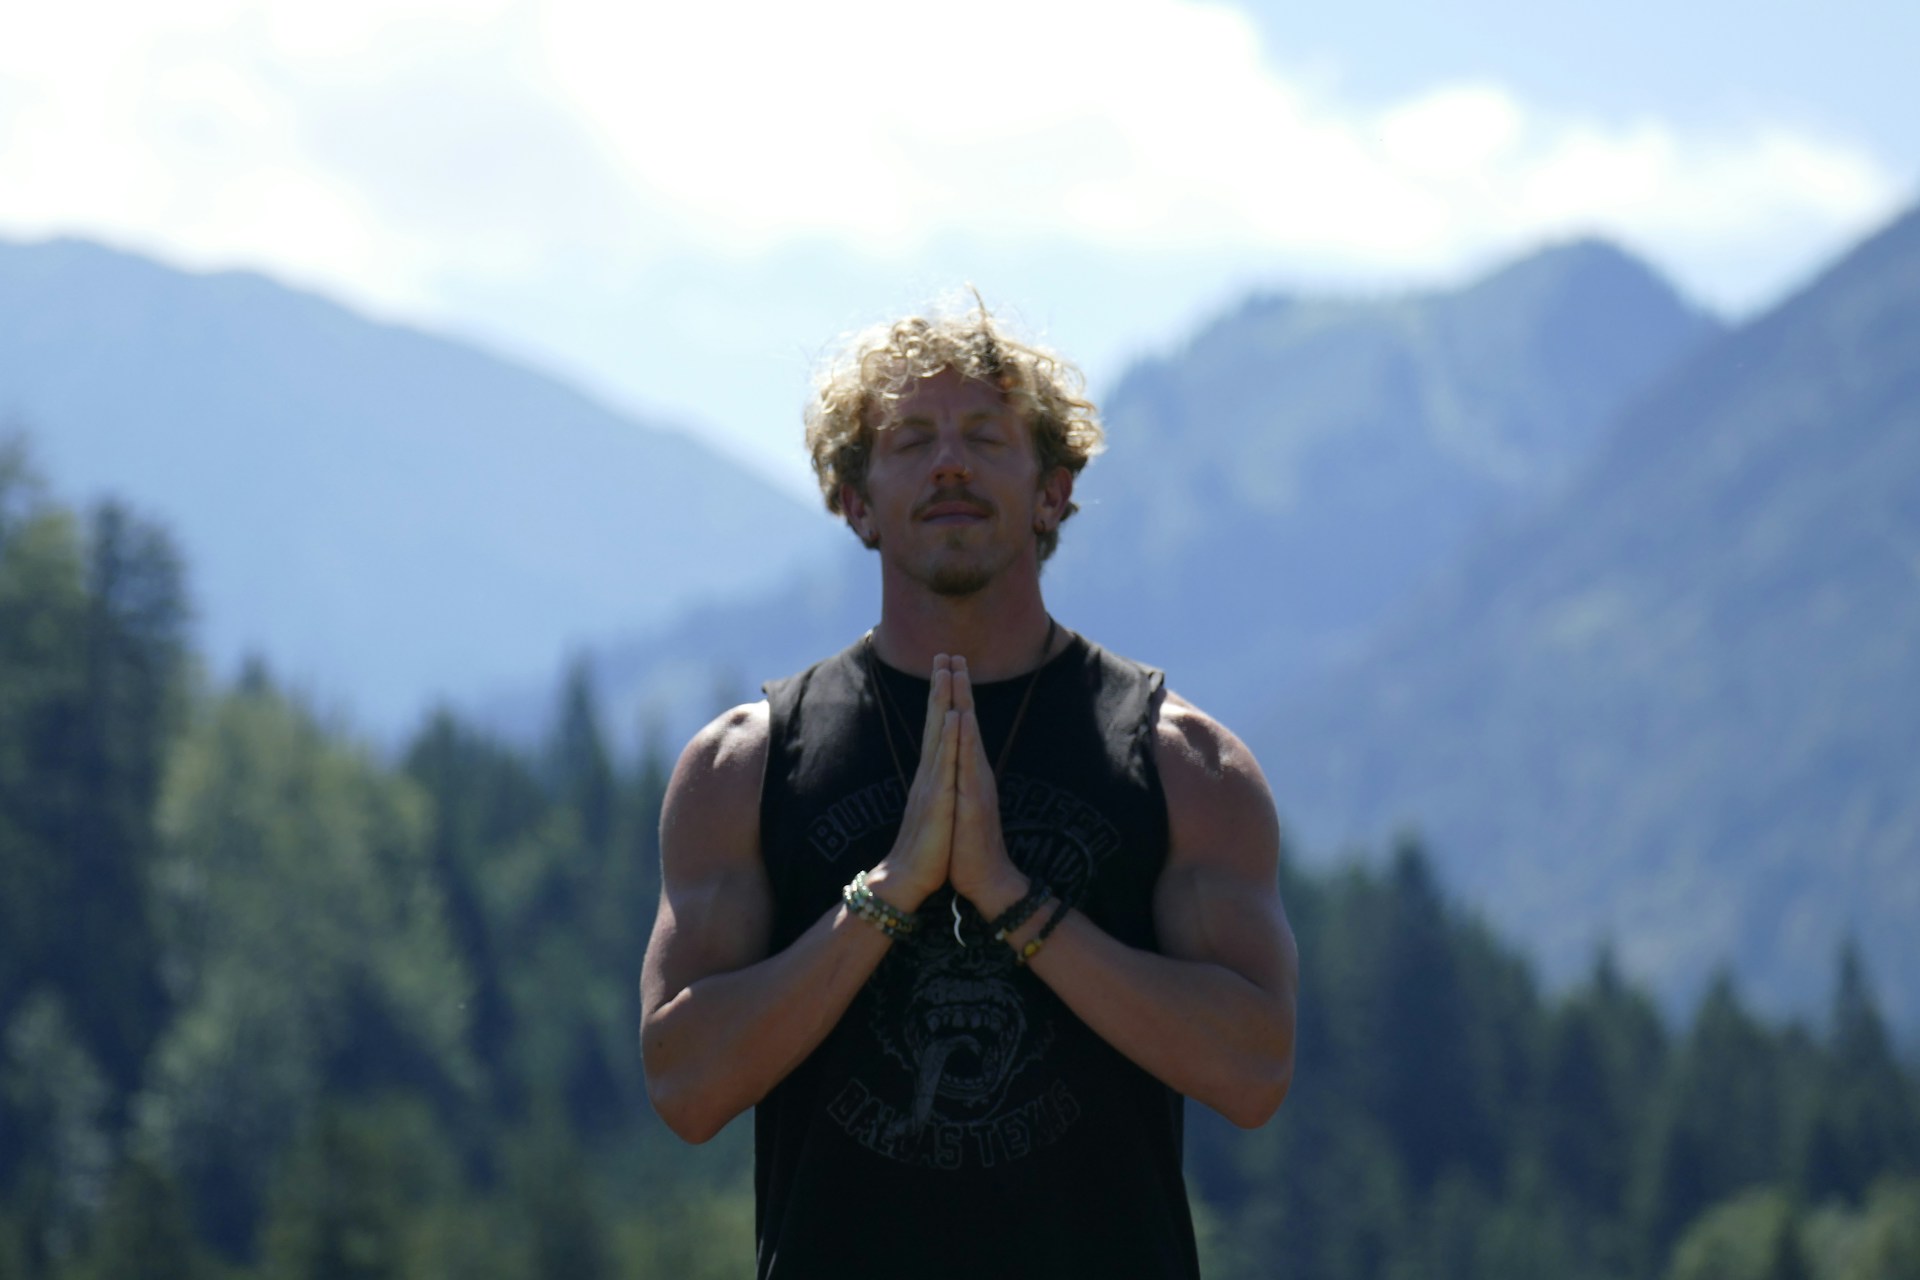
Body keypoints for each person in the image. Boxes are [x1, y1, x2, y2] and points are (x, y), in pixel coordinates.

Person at [640, 301, 1298, 1279]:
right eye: (910, 439)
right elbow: (686, 1085)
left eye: (985, 436)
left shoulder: (1181, 766)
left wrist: (1012, 896)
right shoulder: (747, 766)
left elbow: (1253, 1071)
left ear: (1053, 491)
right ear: (856, 500)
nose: (950, 461)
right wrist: (891, 890)